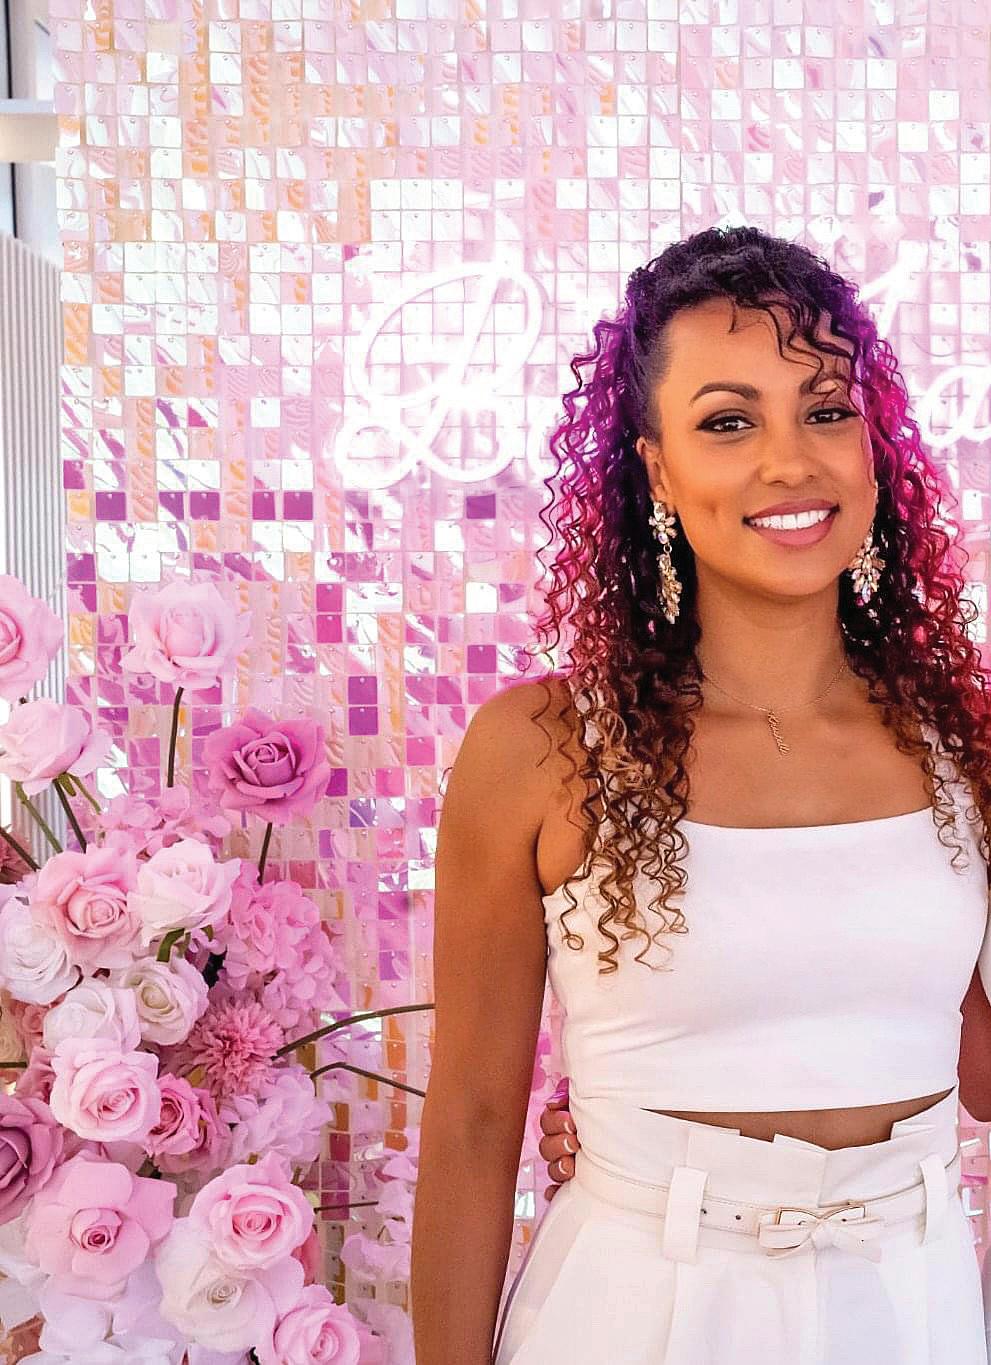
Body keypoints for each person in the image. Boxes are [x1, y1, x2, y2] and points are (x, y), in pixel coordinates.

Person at [409, 224, 991, 1365]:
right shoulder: (541, 750)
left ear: (873, 449)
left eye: (825, 411)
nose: (789, 461)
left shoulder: (964, 746)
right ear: (657, 469)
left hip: (907, 1307)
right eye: (728, 421)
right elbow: (472, 1123)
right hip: (631, 1309)